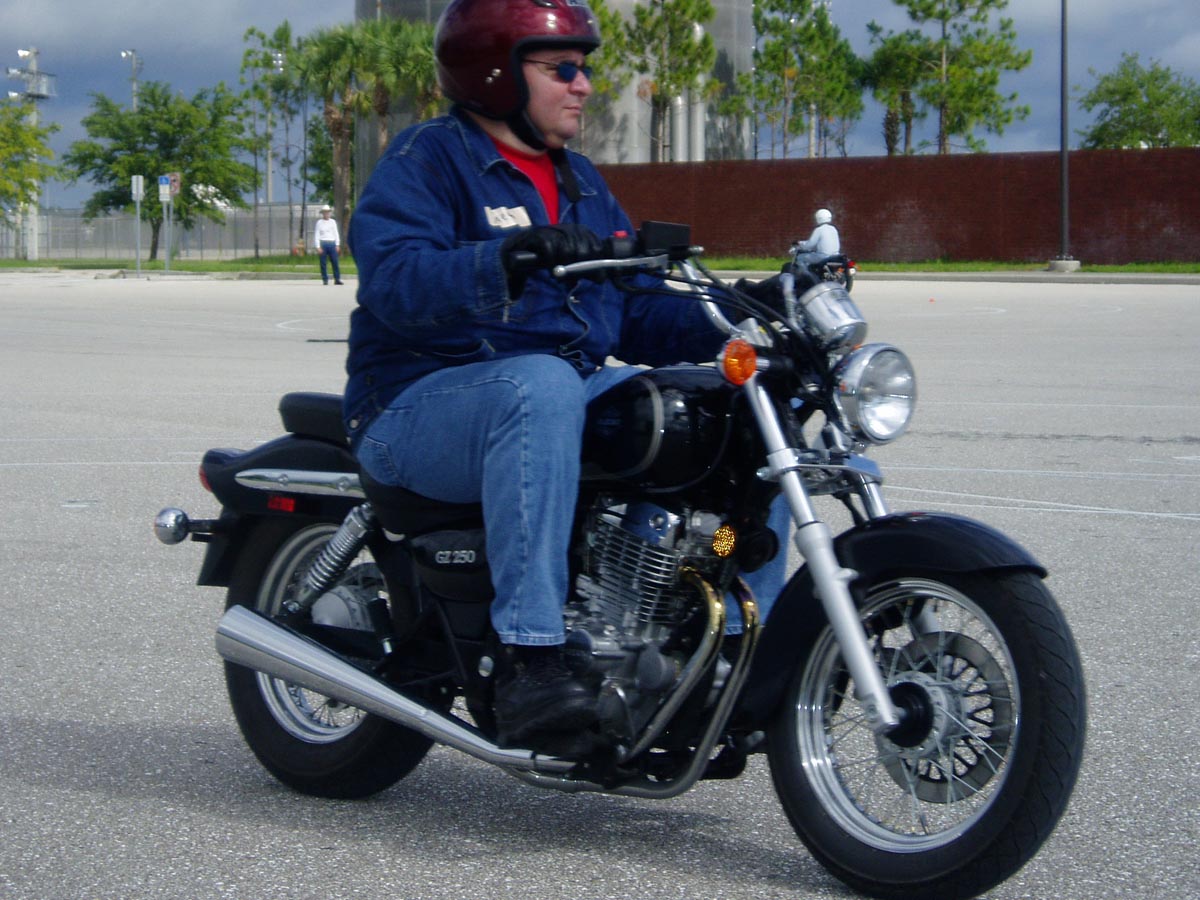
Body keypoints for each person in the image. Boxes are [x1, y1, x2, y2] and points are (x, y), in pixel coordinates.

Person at [343, 0, 787, 746]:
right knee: (541, 384)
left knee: (739, 410)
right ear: (495, 73)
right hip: (415, 404)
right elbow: (394, 281)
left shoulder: (578, 180)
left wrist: (748, 308)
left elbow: (637, 307)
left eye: (583, 68)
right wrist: (505, 259)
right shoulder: (428, 160)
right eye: (563, 69)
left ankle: (734, 648)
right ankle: (532, 659)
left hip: (557, 392)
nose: (583, 84)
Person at [314, 205, 343, 285]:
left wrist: (337, 244)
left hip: (332, 243)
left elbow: (336, 233)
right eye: (325, 212)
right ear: (323, 213)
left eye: (328, 212)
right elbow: (317, 235)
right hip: (323, 243)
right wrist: (318, 246)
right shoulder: (319, 223)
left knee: (335, 262)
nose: (326, 214)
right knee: (323, 263)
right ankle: (325, 279)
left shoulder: (333, 222)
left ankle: (337, 279)